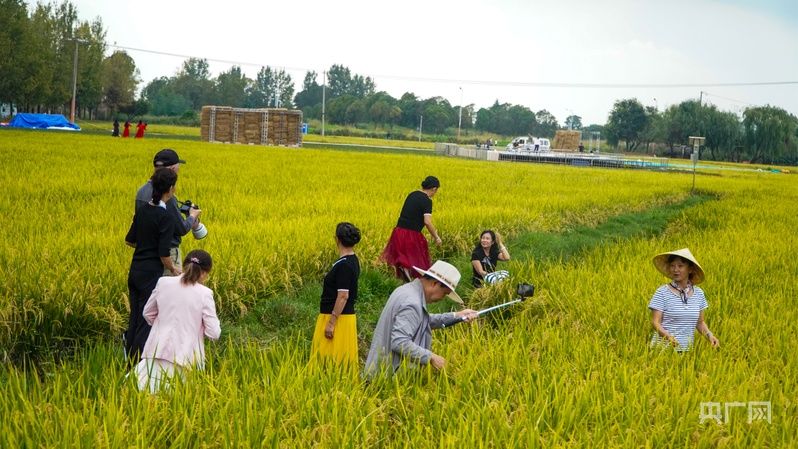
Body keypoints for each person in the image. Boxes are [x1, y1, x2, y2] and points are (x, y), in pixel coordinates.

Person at [363, 261, 478, 378]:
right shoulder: (412, 303)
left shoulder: (406, 290)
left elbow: (421, 320)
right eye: (444, 293)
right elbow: (399, 342)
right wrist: (431, 357)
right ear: (434, 284)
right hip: (385, 378)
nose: (442, 299)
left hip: (380, 371)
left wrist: (457, 316)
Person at [135, 249, 221, 392]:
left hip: (156, 351)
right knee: (177, 402)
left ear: (184, 265)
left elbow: (147, 313)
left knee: (141, 395)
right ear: (205, 273)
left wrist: (160, 325)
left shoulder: (163, 282)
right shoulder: (205, 294)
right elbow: (214, 333)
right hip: (184, 359)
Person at [124, 168, 181, 366]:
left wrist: (146, 245)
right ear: (171, 189)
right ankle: (138, 366)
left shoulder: (144, 210)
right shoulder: (166, 217)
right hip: (150, 274)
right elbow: (164, 253)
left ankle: (128, 361)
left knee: (134, 318)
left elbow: (129, 241)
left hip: (135, 271)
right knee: (146, 321)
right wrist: (174, 269)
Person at [136, 149, 201, 276]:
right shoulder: (167, 197)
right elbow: (180, 229)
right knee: (168, 293)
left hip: (144, 254)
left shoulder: (141, 191)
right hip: (167, 255)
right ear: (172, 169)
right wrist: (192, 216)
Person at [648, 248, 720, 352]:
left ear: (690, 269)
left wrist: (710, 335)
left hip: (686, 351)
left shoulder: (699, 294)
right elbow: (655, 322)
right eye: (672, 265)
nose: (675, 269)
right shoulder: (662, 292)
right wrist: (668, 337)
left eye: (680, 266)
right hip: (662, 350)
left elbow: (700, 322)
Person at [310, 222, 362, 365]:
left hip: (338, 319)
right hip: (343, 317)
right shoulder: (352, 260)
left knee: (328, 361)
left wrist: (331, 323)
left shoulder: (344, 265)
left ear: (337, 239)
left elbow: (343, 296)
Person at [381, 176, 443, 282]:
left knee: (404, 257)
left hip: (398, 231)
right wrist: (436, 237)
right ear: (433, 189)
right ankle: (410, 280)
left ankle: (405, 274)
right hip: (412, 234)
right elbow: (427, 221)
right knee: (418, 260)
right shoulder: (427, 201)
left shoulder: (412, 194)